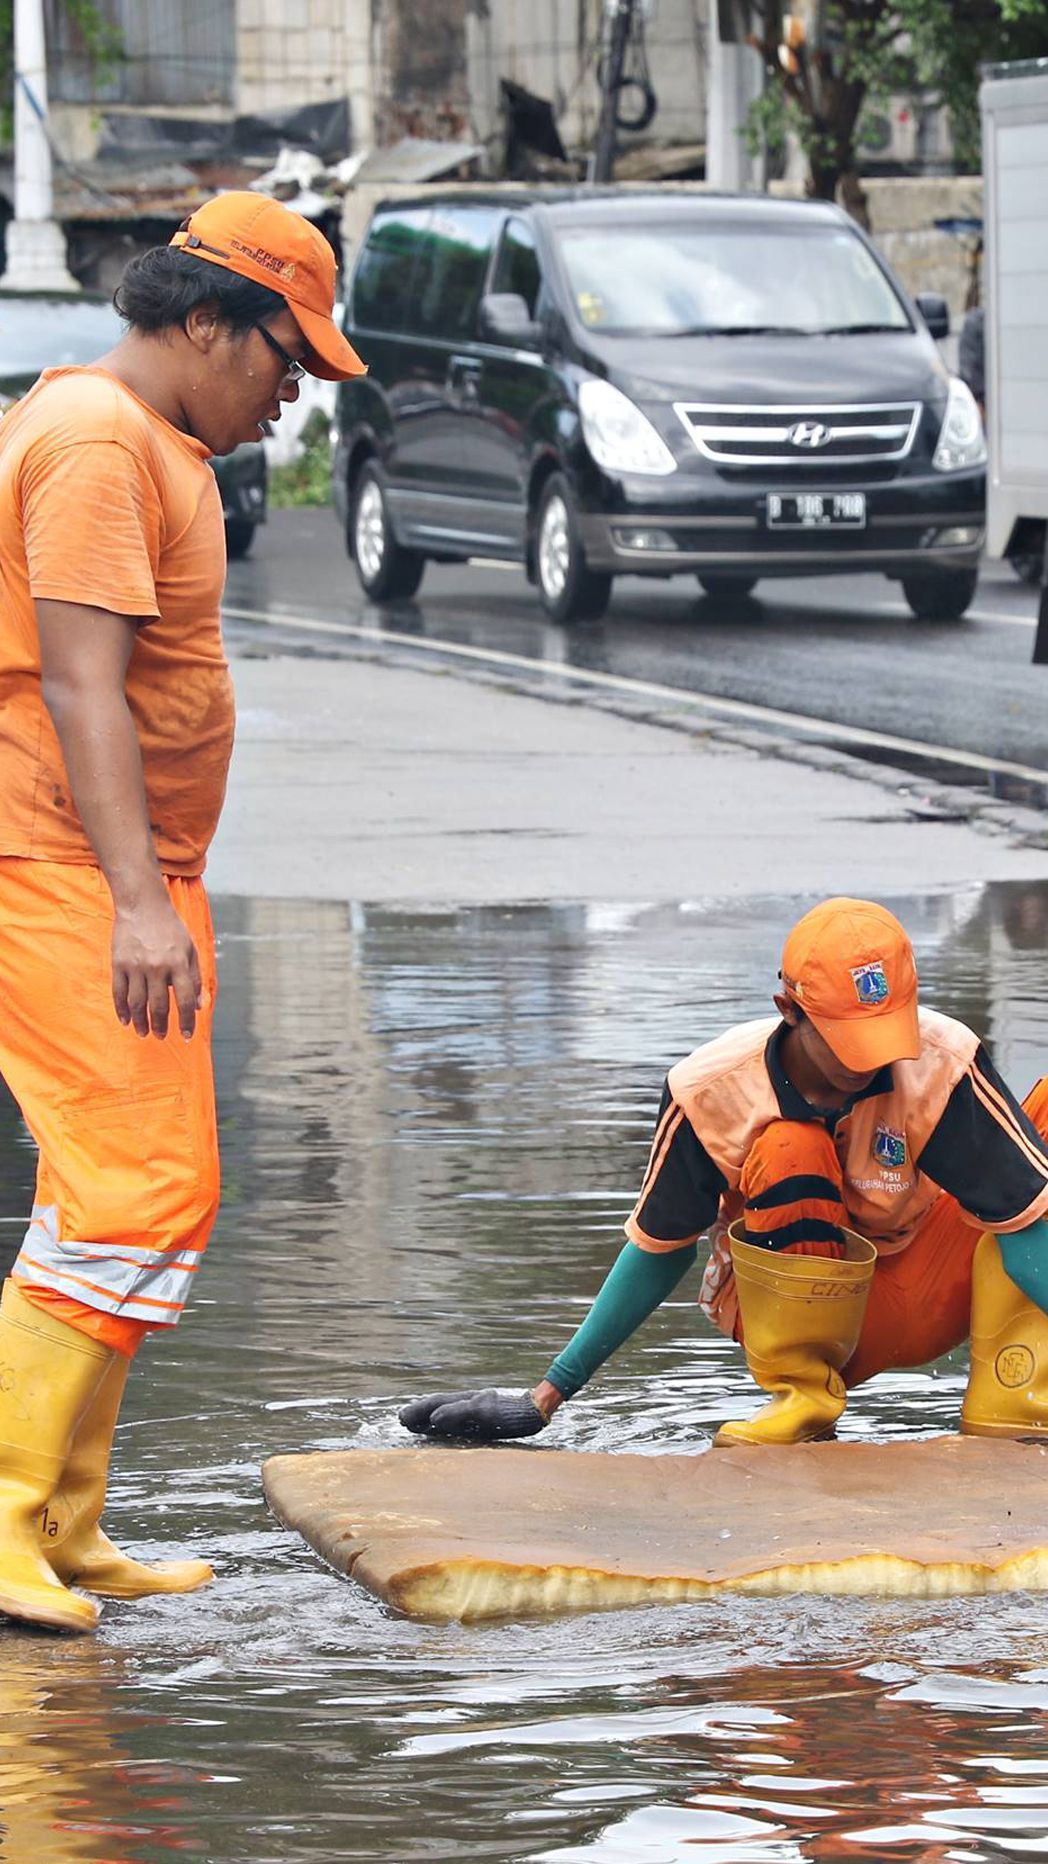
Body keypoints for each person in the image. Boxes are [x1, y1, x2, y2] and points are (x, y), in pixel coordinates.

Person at [0, 192, 365, 1632]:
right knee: (129, 1197)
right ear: (205, 320)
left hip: (127, 874)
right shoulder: (97, 443)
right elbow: (77, 683)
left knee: (144, 1203)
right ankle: (8, 1515)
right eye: (288, 361)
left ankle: (62, 1525)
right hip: (74, 876)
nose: (294, 397)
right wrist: (139, 905)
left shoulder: (153, 441)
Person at [402, 897, 1048, 1450]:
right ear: (789, 1010)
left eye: (885, 1037)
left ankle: (1011, 1407)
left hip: (927, 1284)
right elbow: (660, 1247)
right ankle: (803, 1401)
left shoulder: (943, 1062)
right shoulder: (710, 1091)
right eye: (848, 1044)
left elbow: (1025, 1232)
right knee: (792, 1146)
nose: (868, 1066)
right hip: (803, 1312)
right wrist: (547, 1394)